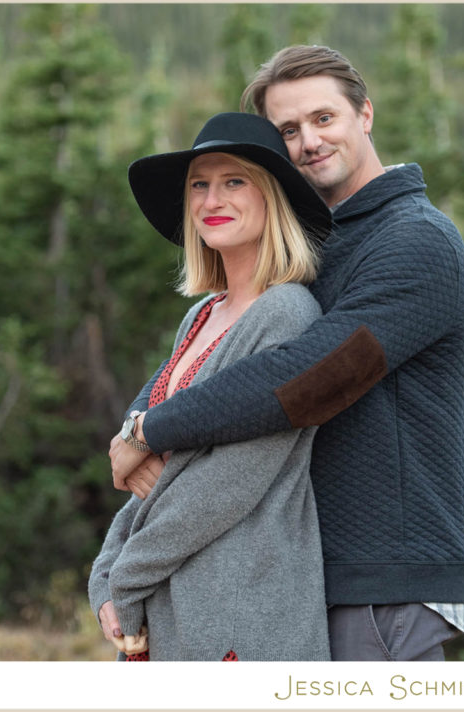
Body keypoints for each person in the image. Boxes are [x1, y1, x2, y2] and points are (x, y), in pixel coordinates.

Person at [110, 45, 464, 662]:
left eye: (323, 118)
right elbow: (214, 353)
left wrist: (150, 430)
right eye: (288, 129)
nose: (309, 141)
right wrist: (134, 423)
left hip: (379, 578)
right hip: (295, 574)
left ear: (365, 113)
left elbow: (309, 379)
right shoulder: (314, 245)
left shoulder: (416, 241)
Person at [88, 112, 334, 661]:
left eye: (234, 181)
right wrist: (105, 575)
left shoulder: (288, 313)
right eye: (199, 184)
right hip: (173, 597)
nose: (211, 199)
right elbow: (162, 477)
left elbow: (227, 483)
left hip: (243, 608)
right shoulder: (202, 315)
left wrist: (126, 578)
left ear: (272, 196)